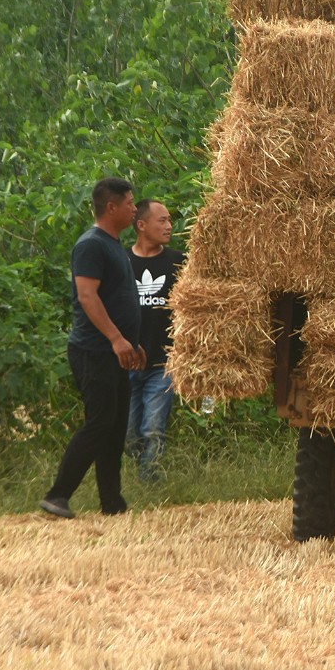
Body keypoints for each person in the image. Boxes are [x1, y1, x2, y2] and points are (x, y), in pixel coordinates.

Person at [41, 177, 145, 519]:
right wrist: (116, 339)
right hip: (94, 350)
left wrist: (133, 343)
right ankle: (58, 495)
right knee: (100, 422)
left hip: (117, 351)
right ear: (111, 207)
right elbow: (87, 296)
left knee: (115, 426)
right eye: (129, 203)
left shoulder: (115, 245)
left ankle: (112, 503)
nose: (134, 209)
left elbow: (119, 300)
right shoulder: (91, 245)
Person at [125, 198, 185, 483]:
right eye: (162, 220)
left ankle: (149, 483)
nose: (169, 226)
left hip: (163, 363)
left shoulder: (178, 262)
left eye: (169, 220)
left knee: (152, 429)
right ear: (141, 225)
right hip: (125, 363)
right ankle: (135, 479)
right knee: (128, 434)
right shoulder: (122, 262)